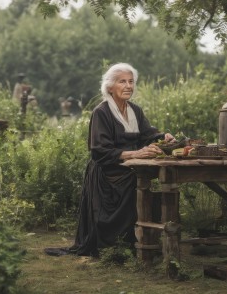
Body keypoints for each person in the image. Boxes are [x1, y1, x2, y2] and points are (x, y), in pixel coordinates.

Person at [47, 63, 175, 257]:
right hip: (107, 173)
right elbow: (100, 151)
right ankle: (117, 245)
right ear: (110, 87)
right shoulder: (102, 112)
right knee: (135, 183)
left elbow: (147, 135)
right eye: (122, 81)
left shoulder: (135, 111)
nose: (128, 86)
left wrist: (163, 137)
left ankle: (142, 239)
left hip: (129, 168)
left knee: (148, 182)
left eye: (131, 82)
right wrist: (136, 154)